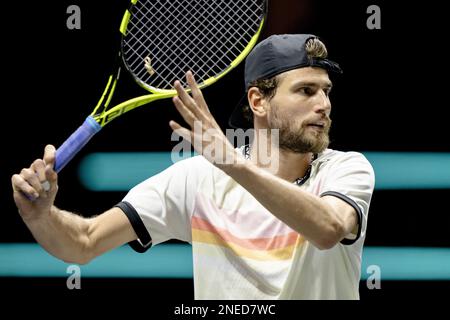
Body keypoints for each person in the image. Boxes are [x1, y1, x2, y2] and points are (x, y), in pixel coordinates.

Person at [11, 34, 374, 299]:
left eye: (326, 91)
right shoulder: (198, 181)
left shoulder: (345, 170)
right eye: (306, 90)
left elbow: (328, 229)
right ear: (258, 101)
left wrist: (231, 163)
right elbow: (83, 244)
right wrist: (41, 216)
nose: (324, 104)